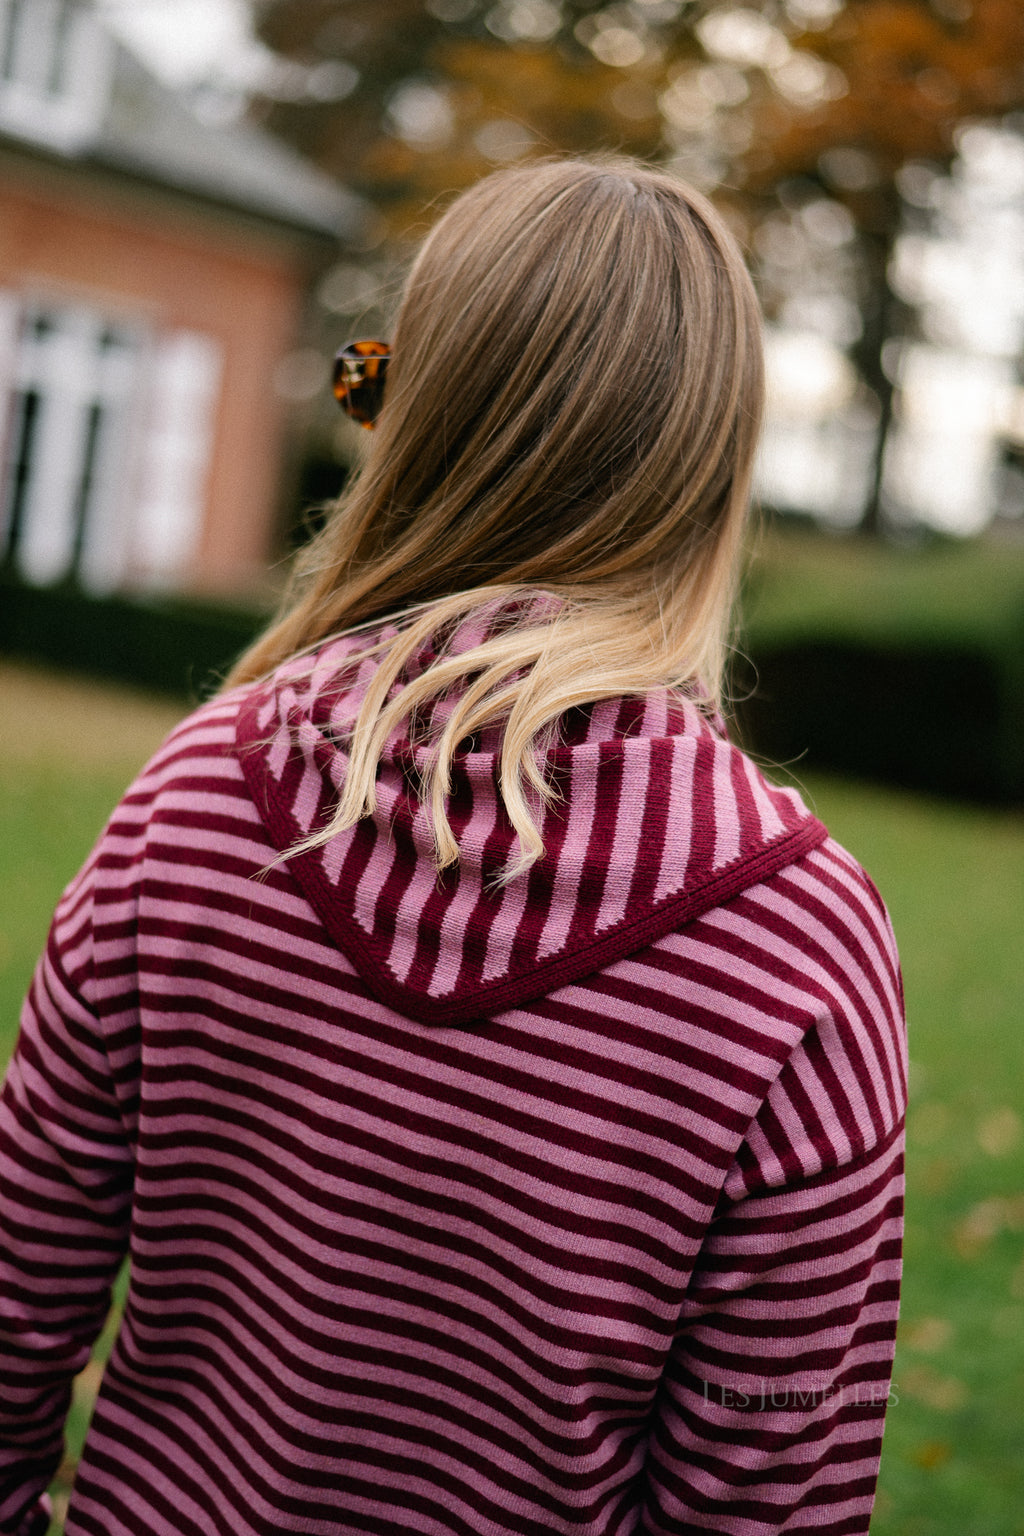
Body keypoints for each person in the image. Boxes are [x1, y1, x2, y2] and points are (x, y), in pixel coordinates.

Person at [0, 157, 906, 1536]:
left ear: (415, 434)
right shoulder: (795, 944)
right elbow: (768, 1490)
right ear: (713, 473)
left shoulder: (197, 800)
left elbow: (15, 1298)